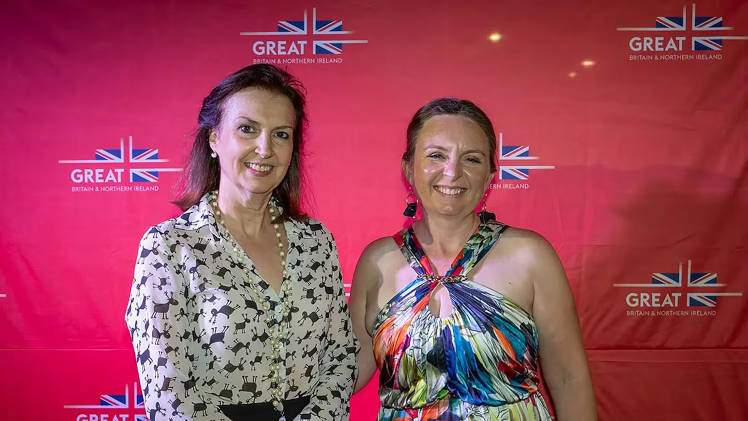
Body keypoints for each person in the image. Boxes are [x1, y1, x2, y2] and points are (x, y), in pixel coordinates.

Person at [125, 64, 357, 421]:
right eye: (247, 129)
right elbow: (169, 391)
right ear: (213, 139)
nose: (265, 148)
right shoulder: (170, 246)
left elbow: (340, 358)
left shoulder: (316, 242)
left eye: (281, 134)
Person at [349, 98, 597, 420]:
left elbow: (569, 380)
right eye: (436, 155)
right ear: (408, 167)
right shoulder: (377, 261)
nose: (452, 172)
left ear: (490, 174)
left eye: (472, 159)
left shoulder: (531, 257)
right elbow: (347, 372)